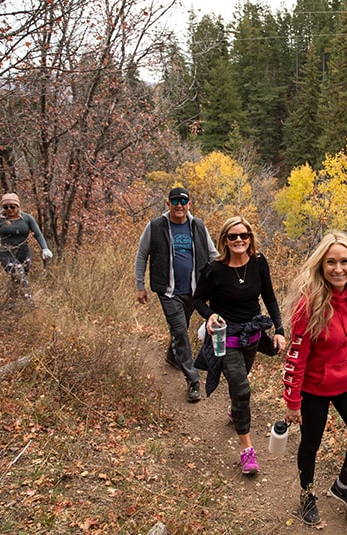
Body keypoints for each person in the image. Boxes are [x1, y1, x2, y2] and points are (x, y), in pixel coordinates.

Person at [282, 231, 347, 525]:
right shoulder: (309, 305)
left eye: (344, 261)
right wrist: (292, 401)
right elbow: (296, 356)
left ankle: (342, 485)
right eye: (331, 262)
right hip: (314, 387)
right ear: (321, 265)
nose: (338, 269)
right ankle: (307, 493)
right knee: (311, 444)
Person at [193, 216, 287, 475]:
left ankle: (236, 409)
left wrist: (279, 331)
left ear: (250, 238)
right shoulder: (215, 269)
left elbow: (269, 297)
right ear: (224, 239)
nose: (238, 240)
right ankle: (247, 451)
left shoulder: (258, 263)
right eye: (232, 236)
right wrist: (209, 315)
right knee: (242, 388)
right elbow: (198, 299)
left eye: (243, 235)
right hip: (226, 337)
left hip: (252, 335)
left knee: (240, 379)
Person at [135, 186, 217, 403]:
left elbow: (212, 255)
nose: (179, 205)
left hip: (193, 291)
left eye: (183, 201)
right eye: (175, 201)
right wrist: (139, 285)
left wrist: (224, 279)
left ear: (189, 204)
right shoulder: (155, 226)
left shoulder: (197, 226)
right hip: (168, 291)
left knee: (181, 329)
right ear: (168, 203)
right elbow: (142, 255)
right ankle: (193, 381)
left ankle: (173, 356)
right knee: (180, 331)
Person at [0, 193, 52, 299]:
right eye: (5, 207)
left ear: (18, 206)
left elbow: (38, 234)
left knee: (18, 280)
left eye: (12, 206)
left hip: (24, 252)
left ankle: (12, 303)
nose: (9, 209)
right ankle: (29, 304)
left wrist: (44, 248)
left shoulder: (27, 218)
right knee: (19, 275)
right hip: (6, 253)